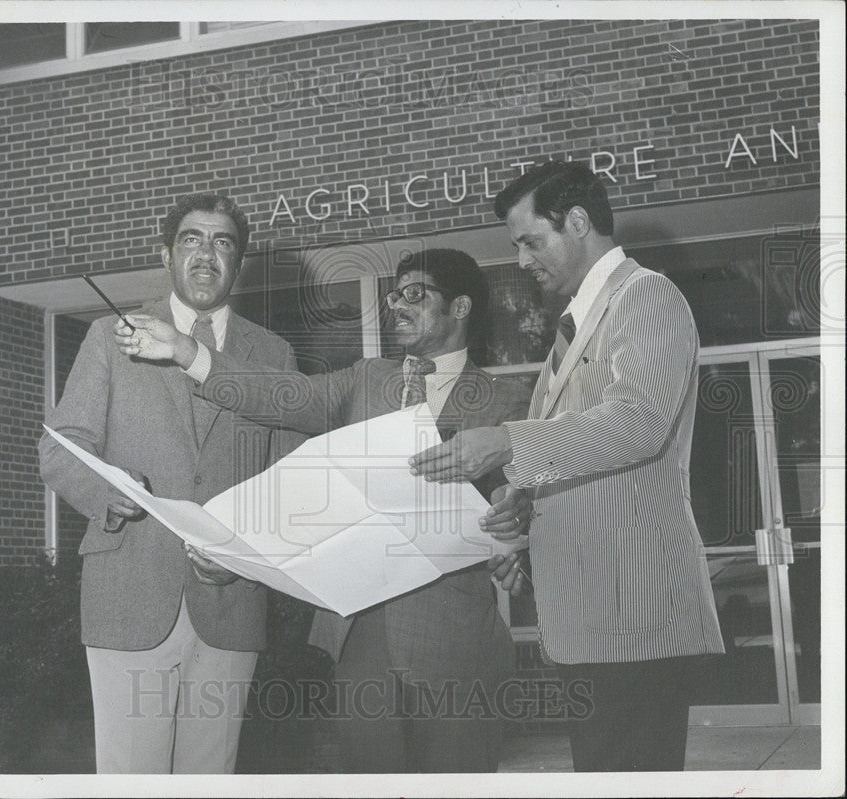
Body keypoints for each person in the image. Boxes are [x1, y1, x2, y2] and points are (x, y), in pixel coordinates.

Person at [113, 248, 533, 773]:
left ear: (461, 307)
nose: (395, 305)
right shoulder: (365, 378)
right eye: (392, 294)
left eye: (413, 294)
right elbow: (282, 395)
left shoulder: (504, 402)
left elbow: (522, 501)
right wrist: (186, 352)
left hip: (455, 642)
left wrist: (516, 525)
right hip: (359, 637)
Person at [408, 162, 726, 772]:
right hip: (594, 619)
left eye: (531, 240)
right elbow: (590, 456)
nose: (523, 259)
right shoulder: (580, 323)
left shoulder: (645, 296)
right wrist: (524, 518)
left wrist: (507, 442)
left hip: (633, 615)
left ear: (578, 222)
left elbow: (637, 425)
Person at [38, 193, 301, 774]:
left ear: (239, 263)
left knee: (211, 780)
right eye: (191, 239)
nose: (207, 254)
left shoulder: (274, 354)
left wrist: (246, 554)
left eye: (223, 242)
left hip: (232, 600)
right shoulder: (113, 336)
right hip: (128, 595)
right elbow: (58, 452)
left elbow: (291, 480)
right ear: (165, 255)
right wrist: (115, 491)